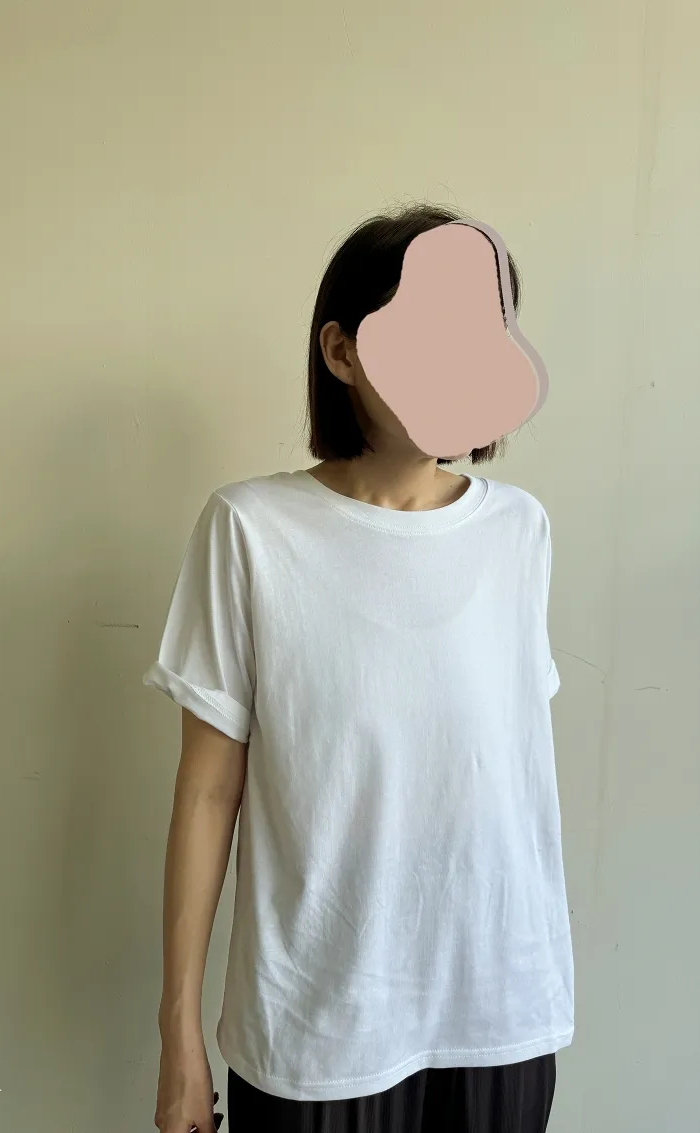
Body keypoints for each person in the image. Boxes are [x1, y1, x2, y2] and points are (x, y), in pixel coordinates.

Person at [145, 202, 574, 1133]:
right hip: (316, 1026)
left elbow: (500, 769)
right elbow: (208, 791)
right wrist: (179, 1035)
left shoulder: (519, 531)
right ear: (342, 351)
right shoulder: (250, 530)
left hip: (501, 1009)